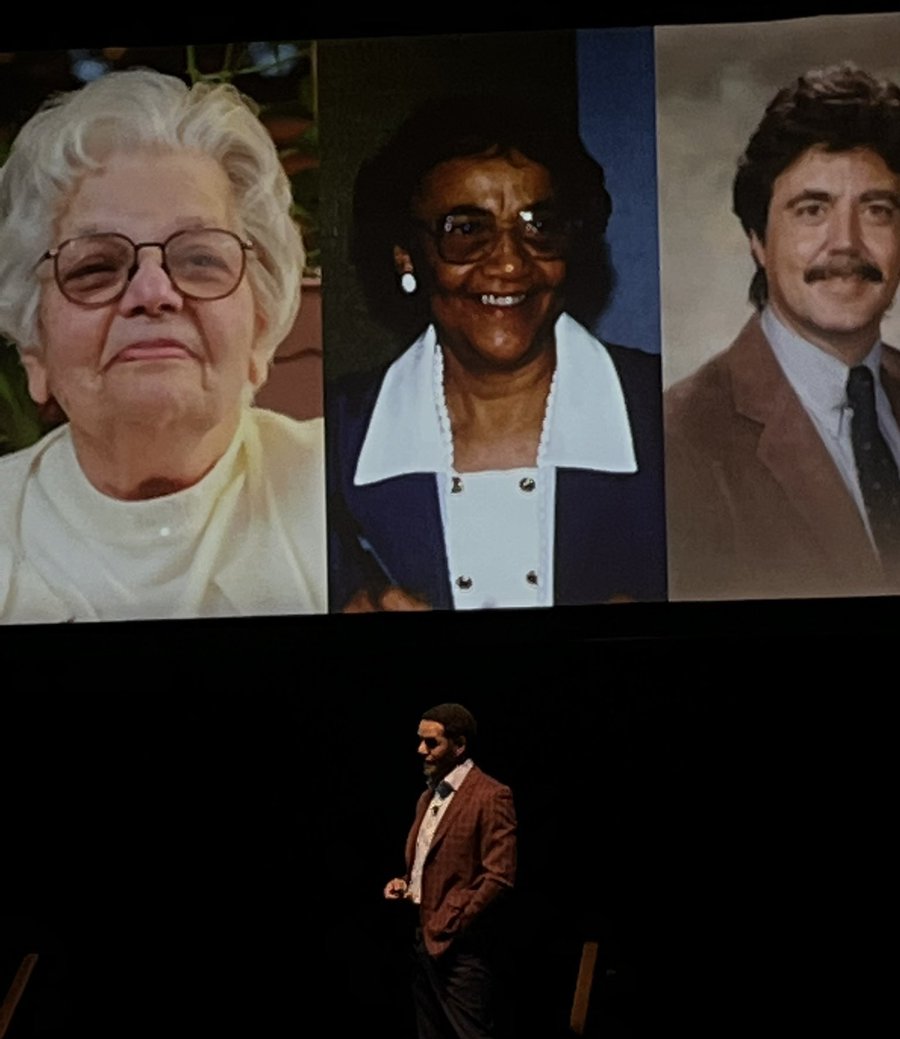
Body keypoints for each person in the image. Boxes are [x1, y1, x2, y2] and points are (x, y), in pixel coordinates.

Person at [0, 69, 326, 623]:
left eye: (200, 259)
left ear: (260, 323)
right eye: (96, 267)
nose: (153, 292)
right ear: (36, 349)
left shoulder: (358, 495)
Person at [328, 96, 666, 612]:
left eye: (538, 227)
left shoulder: (676, 415)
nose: (510, 265)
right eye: (466, 231)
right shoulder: (328, 439)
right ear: (407, 257)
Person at [665, 63, 900, 601]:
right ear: (758, 240)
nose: (846, 243)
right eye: (812, 210)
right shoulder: (682, 445)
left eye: (878, 210)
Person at [383, 703, 515, 1039]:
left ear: (459, 746)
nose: (421, 749)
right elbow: (431, 867)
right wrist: (405, 884)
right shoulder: (427, 798)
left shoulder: (490, 795)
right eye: (420, 739)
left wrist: (455, 919)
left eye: (431, 741)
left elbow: (499, 874)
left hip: (461, 944)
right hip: (423, 937)